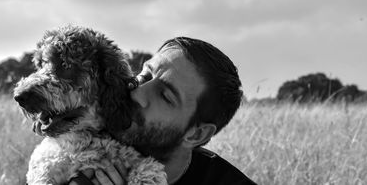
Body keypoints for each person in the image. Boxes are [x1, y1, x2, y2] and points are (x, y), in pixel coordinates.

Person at [70, 37, 257, 185]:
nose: (137, 93)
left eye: (165, 96)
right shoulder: (75, 145)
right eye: (145, 75)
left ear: (196, 134)